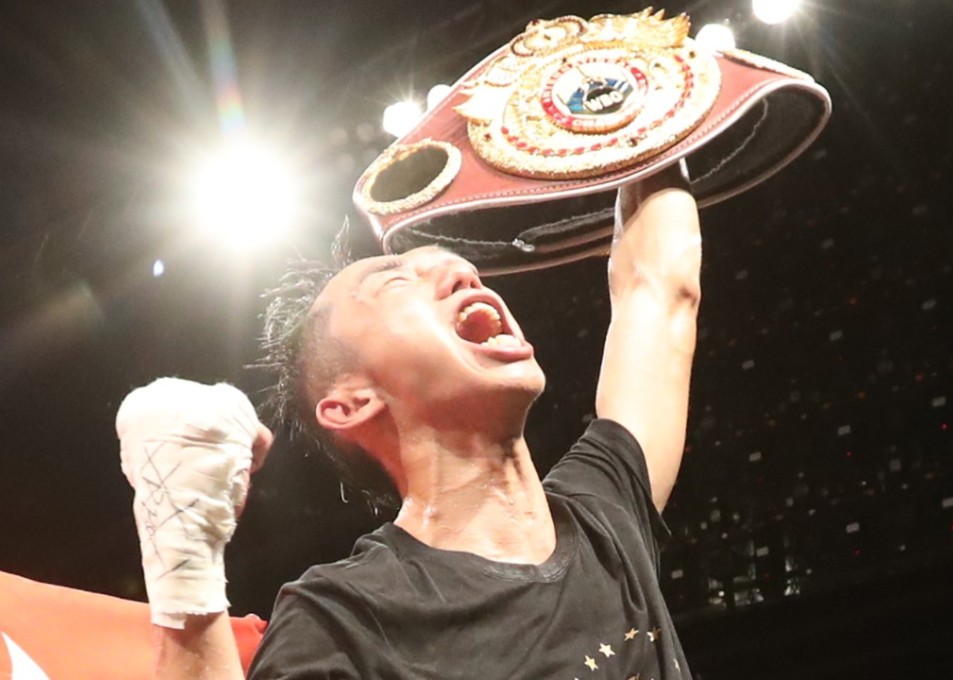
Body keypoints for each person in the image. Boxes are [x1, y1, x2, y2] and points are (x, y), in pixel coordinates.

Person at [116, 162, 703, 679]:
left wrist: (643, 110)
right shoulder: (346, 619)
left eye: (459, 267)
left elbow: (660, 289)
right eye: (398, 280)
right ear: (348, 402)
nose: (463, 274)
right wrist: (184, 555)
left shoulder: (604, 510)